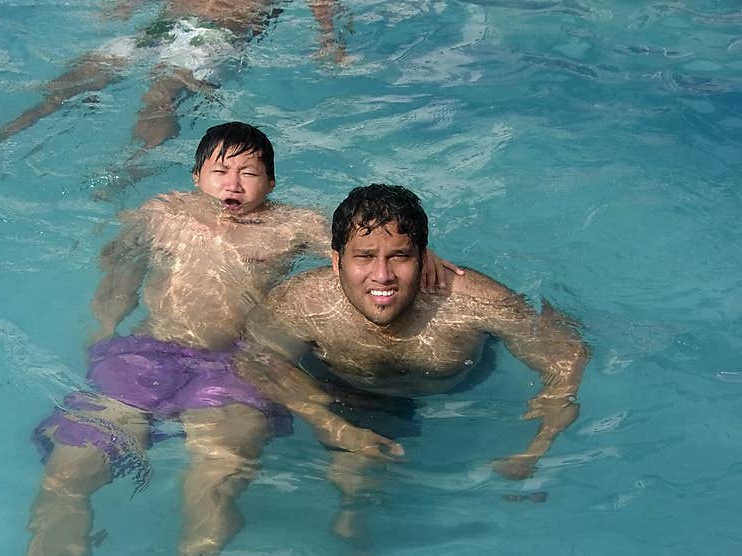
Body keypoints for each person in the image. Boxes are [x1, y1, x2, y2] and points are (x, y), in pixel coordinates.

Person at [11, 124, 463, 556]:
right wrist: (103, 329)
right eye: (220, 171)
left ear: (271, 183)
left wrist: (427, 256)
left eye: (249, 173)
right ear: (196, 176)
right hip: (148, 354)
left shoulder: (293, 225)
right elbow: (120, 265)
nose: (233, 184)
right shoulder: (164, 213)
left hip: (236, 365)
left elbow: (364, 252)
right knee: (71, 471)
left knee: (216, 481)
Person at [236, 184, 590, 537]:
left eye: (400, 256)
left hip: (455, 397)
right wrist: (326, 421)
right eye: (364, 256)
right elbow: (255, 359)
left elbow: (566, 354)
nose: (382, 275)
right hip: (345, 388)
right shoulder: (303, 304)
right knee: (349, 477)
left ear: (423, 259)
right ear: (336, 260)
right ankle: (353, 529)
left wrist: (537, 447)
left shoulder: (473, 301)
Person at [0, 0, 348, 186]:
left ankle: (132, 164)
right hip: (163, 29)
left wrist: (329, 40)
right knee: (73, 79)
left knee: (158, 98)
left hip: (215, 40)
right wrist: (125, 8)